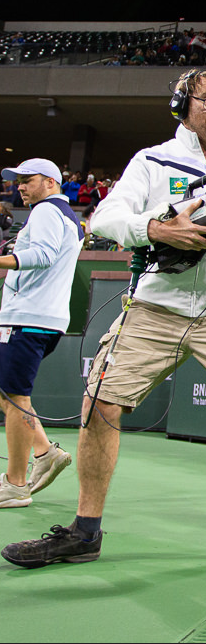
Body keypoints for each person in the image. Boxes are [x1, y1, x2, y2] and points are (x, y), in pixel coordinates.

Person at [1, 69, 206, 568]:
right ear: (182, 103)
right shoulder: (151, 160)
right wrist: (158, 228)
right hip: (157, 306)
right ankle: (84, 531)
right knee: (101, 403)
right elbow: (106, 219)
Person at [0, 159, 80, 509]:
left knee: (16, 399)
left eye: (27, 180)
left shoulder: (48, 211)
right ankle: (45, 452)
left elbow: (43, 256)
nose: (20, 186)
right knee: (8, 393)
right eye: (17, 181)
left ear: (50, 182)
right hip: (37, 318)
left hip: (29, 319)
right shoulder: (61, 214)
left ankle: (16, 485)